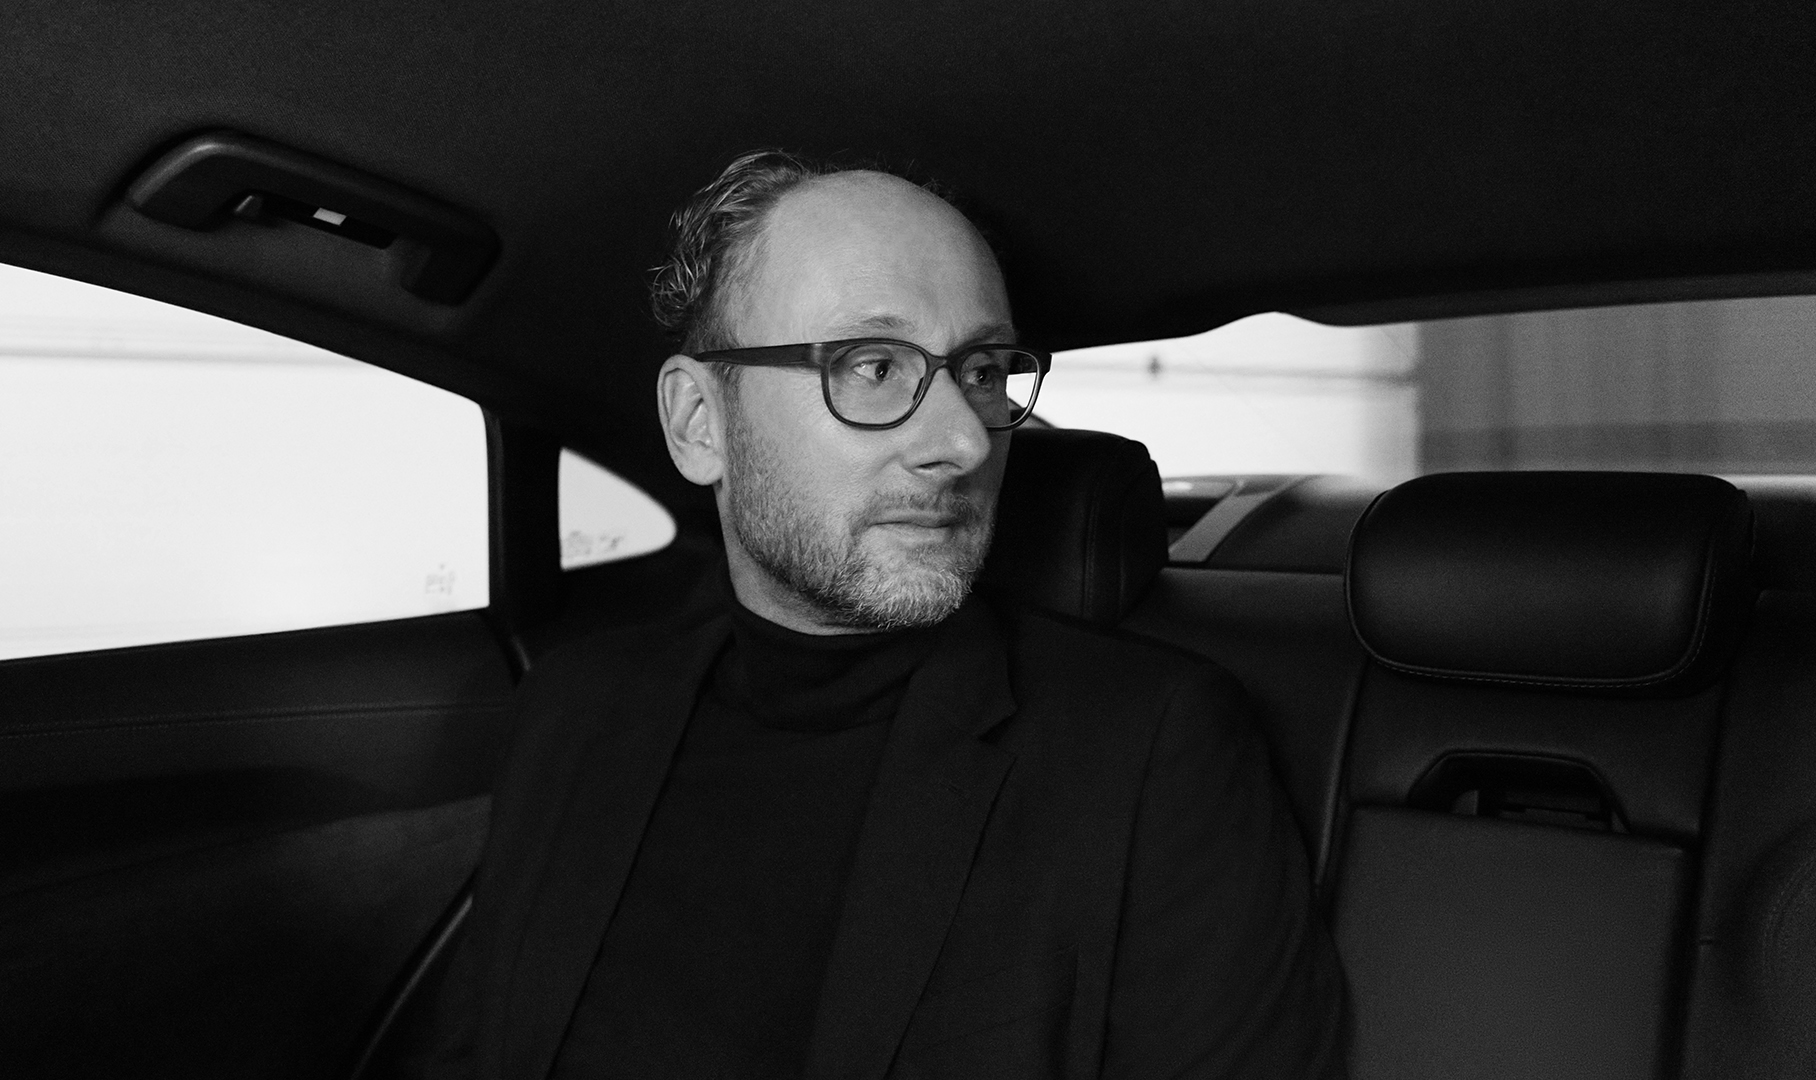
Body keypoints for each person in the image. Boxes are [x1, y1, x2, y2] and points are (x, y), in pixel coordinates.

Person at [424, 150, 1345, 1079]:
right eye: (872, 366)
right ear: (701, 423)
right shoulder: (576, 708)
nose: (961, 440)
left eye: (982, 372)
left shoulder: (1148, 749)